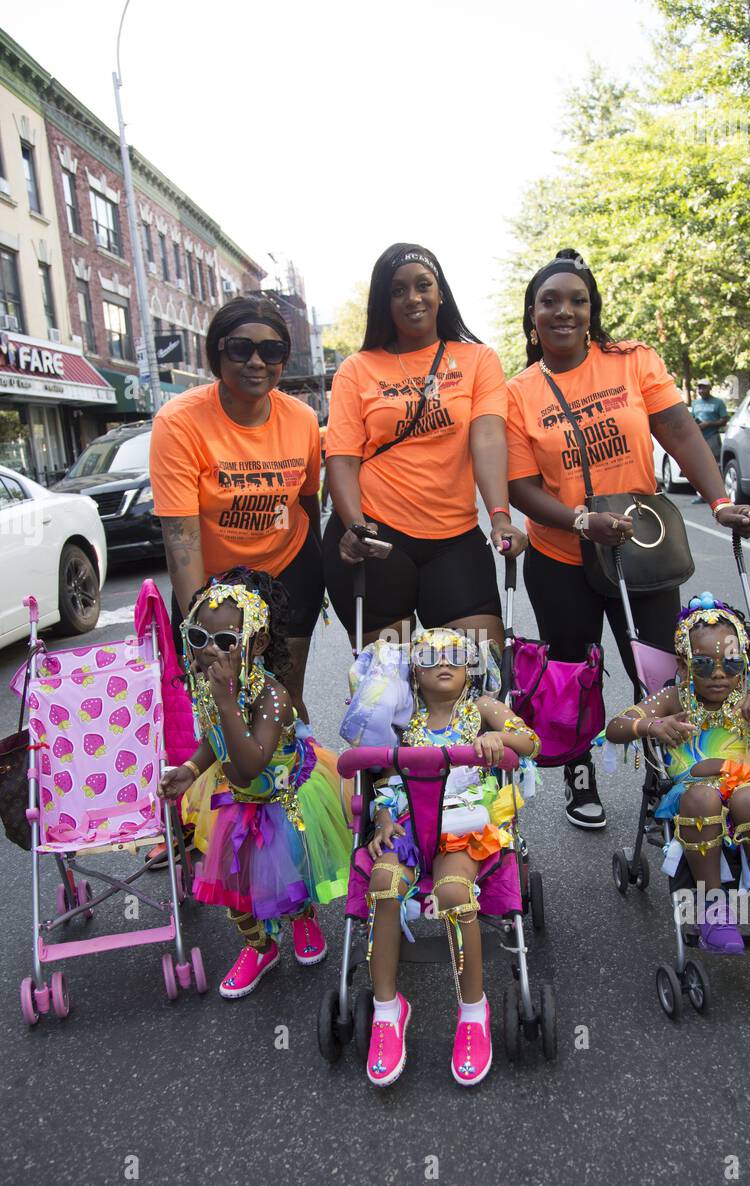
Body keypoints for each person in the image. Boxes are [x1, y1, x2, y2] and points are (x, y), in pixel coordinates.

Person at [506, 249, 750, 830]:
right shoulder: (517, 391)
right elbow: (518, 485)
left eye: (578, 301)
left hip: (640, 549)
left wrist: (720, 500)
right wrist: (577, 520)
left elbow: (679, 431)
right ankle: (578, 771)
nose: (564, 311)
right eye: (551, 302)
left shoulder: (632, 360)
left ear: (593, 311)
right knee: (573, 670)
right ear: (532, 314)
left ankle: (662, 775)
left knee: (657, 672)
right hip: (560, 553)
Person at [158, 569, 351, 1000]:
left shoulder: (273, 697)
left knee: (292, 869)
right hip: (239, 799)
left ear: (257, 643)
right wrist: (191, 768)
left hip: (286, 796)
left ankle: (302, 919)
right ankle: (259, 946)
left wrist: (226, 701)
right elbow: (216, 738)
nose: (210, 652)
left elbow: (248, 763)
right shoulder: (210, 688)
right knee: (236, 883)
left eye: (225, 642)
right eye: (197, 639)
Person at [324, 243, 526, 651]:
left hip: (454, 541)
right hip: (377, 538)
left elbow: (487, 438)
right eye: (397, 290)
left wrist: (500, 516)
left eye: (422, 286)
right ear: (384, 301)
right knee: (385, 693)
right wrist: (355, 526)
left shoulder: (477, 359)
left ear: (441, 294)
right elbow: (342, 460)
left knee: (477, 678)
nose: (412, 298)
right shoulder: (357, 368)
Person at [363, 628, 539, 1088]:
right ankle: (387, 1010)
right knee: (382, 885)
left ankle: (473, 1012)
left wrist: (497, 741)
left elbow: (530, 742)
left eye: (457, 654)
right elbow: (383, 781)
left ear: (470, 667)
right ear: (415, 672)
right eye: (431, 656)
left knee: (455, 893)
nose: (445, 662)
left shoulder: (482, 709)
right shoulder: (403, 718)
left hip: (462, 826)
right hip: (407, 824)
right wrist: (383, 818)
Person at [606, 594, 750, 953]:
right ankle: (712, 908)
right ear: (683, 664)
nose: (720, 675)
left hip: (747, 787)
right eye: (705, 665)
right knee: (702, 796)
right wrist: (651, 725)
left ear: (743, 663)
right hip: (692, 792)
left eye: (732, 664)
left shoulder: (749, 697)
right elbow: (616, 726)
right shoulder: (675, 698)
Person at [150, 296, 323, 722]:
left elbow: (308, 500)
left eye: (272, 350)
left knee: (281, 701)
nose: (256, 362)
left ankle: (291, 783)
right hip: (211, 580)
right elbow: (181, 540)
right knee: (214, 705)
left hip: (288, 570)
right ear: (217, 353)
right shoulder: (179, 421)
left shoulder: (301, 418)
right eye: (241, 348)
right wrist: (199, 629)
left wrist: (318, 568)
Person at [690, 379, 728, 473]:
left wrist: (708, 424)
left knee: (715, 464)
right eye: (699, 388)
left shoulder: (718, 402)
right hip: (698, 437)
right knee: (699, 463)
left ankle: (717, 486)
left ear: (710, 388)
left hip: (712, 437)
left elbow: (724, 420)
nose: (701, 390)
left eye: (704, 388)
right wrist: (695, 424)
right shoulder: (695, 403)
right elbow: (692, 418)